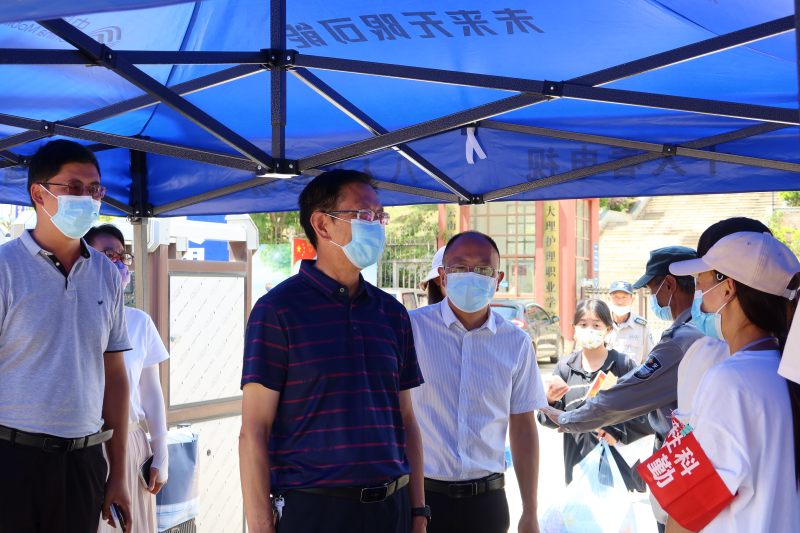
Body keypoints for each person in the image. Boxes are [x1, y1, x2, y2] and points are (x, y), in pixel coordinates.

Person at [239, 169, 427, 533]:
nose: (377, 226)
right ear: (322, 225)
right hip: (315, 511)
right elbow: (254, 430)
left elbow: (406, 420)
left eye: (381, 216)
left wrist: (418, 512)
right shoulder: (277, 310)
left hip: (392, 509)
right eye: (365, 214)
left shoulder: (393, 314)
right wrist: (261, 525)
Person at [0, 140, 133, 532]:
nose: (87, 198)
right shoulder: (5, 268)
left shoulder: (108, 275)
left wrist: (119, 473)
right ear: (39, 194)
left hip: (84, 462)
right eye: (74, 187)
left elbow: (116, 377)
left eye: (94, 189)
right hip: (12, 460)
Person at [409, 231, 546, 533]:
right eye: (460, 267)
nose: (471, 276)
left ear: (498, 280)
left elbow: (523, 427)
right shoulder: (411, 329)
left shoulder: (516, 343)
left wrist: (530, 511)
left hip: (488, 504)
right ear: (442, 276)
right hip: (421, 500)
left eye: (483, 269)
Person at [664, 231, 800, 532]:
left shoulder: (729, 381)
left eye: (702, 282)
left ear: (727, 289)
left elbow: (691, 508)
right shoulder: (785, 372)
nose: (699, 295)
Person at [544, 247, 702, 451]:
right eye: (583, 324)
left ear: (670, 285)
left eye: (652, 291)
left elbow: (633, 392)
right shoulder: (702, 329)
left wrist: (570, 418)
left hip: (683, 450)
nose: (653, 298)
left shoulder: (679, 340)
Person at [86, 224, 170, 533]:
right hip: (83, 444)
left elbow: (151, 392)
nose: (119, 263)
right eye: (109, 254)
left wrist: (161, 449)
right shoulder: (71, 317)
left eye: (123, 256)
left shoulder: (139, 322)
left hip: (132, 443)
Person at [537, 299, 651, 491]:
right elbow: (547, 420)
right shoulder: (565, 368)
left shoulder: (623, 365)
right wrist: (549, 401)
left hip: (617, 472)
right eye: (583, 324)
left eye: (596, 325)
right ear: (574, 329)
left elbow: (647, 414)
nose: (589, 330)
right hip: (578, 469)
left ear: (607, 330)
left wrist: (618, 432)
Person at [606, 280, 655, 364]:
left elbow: (648, 359)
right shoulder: (601, 323)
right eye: (616, 297)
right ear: (609, 299)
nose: (620, 301)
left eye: (624, 297)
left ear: (632, 300)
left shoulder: (642, 326)